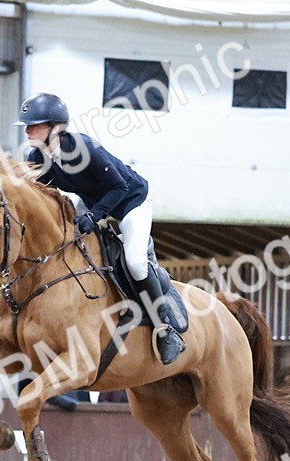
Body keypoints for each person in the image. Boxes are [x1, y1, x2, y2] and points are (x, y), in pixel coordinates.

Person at [15, 93, 185, 366]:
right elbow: (40, 193)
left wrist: (93, 216)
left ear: (54, 128)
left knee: (136, 262)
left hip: (131, 202)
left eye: (34, 125)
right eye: (27, 125)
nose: (27, 130)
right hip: (95, 203)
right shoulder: (38, 156)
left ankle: (166, 328)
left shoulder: (83, 148)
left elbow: (120, 187)